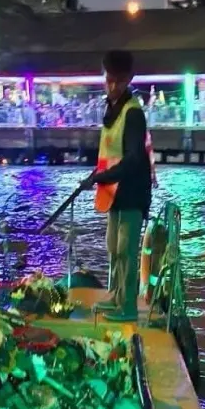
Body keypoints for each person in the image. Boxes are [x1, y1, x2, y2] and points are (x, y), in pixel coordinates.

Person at [81, 50, 153, 323]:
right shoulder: (113, 109)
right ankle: (116, 296)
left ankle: (128, 307)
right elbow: (110, 153)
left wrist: (100, 178)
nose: (112, 86)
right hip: (114, 191)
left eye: (119, 82)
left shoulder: (133, 112)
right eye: (109, 80)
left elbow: (134, 159)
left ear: (129, 79)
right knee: (113, 247)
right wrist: (96, 175)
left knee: (126, 250)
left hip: (131, 191)